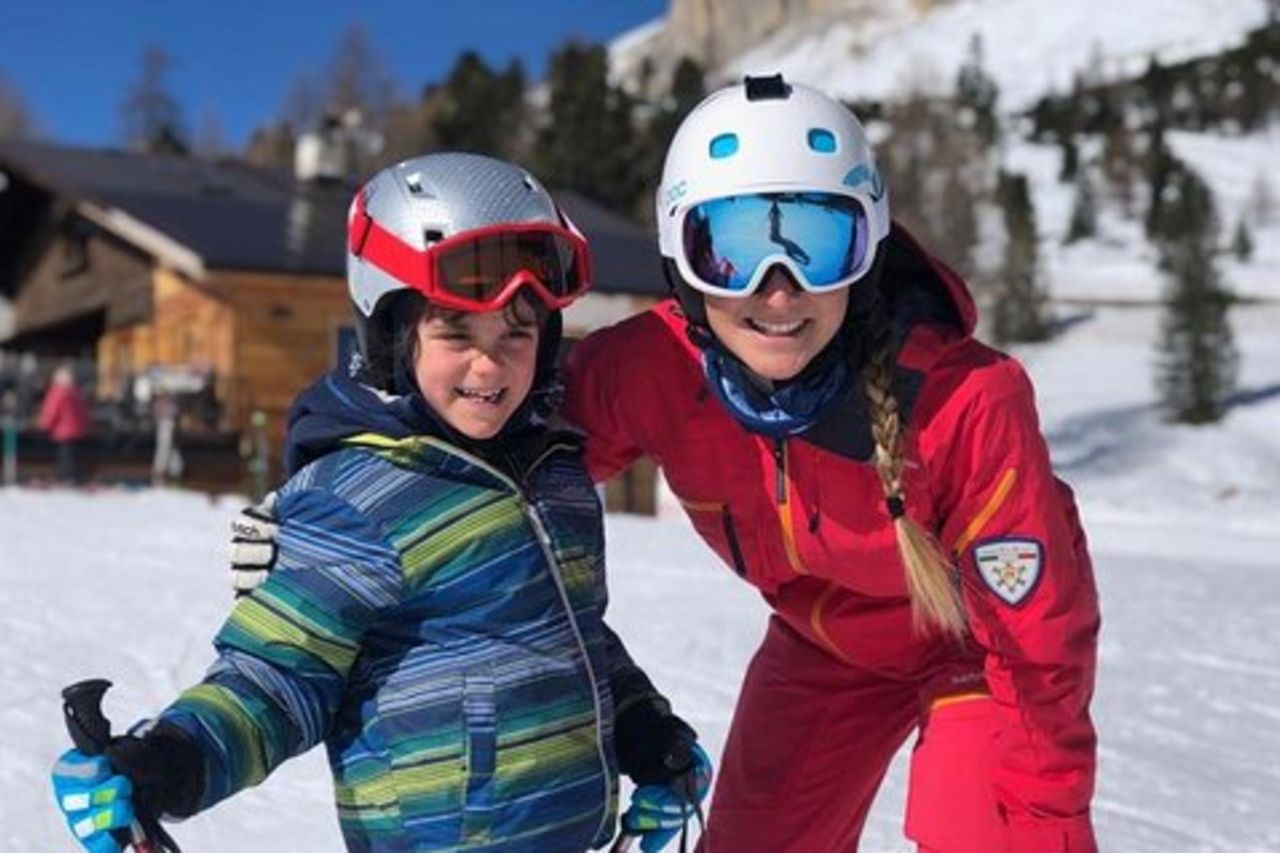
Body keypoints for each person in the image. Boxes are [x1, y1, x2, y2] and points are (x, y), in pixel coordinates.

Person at [226, 78, 1101, 852]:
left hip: (980, 652)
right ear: (683, 261)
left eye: (815, 242)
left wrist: (1042, 820)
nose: (777, 288)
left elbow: (1039, 649)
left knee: (988, 826)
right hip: (825, 648)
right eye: (732, 249)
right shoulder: (656, 367)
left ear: (866, 250)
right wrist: (332, 499)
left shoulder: (965, 400)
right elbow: (491, 441)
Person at [52, 153, 711, 853]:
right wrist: (171, 761)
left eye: (516, 333)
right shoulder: (355, 499)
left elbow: (576, 634)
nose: (489, 364)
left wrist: (649, 734)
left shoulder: (557, 474)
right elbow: (278, 674)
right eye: (455, 333)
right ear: (394, 337)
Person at [38, 362, 91, 485]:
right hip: (75, 428)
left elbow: (52, 410)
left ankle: (66, 478)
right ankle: (74, 477)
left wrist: (45, 424)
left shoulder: (57, 391)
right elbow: (83, 411)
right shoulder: (75, 391)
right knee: (72, 455)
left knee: (64, 455)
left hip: (62, 429)